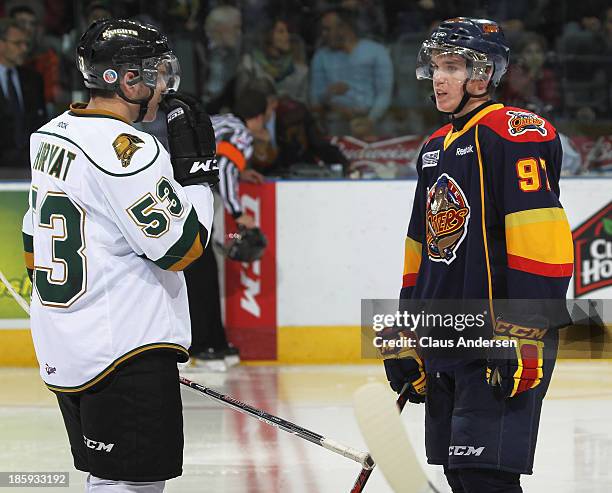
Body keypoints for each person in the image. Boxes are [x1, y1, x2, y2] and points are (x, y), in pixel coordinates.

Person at [21, 18, 218, 492]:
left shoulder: (48, 136)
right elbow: (183, 247)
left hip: (67, 345)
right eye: (156, 72)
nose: (164, 83)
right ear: (127, 79)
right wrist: (200, 177)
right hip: (125, 351)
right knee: (132, 485)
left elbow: (32, 245)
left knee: (106, 478)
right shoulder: (128, 150)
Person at [383, 18, 574, 493]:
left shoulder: (513, 133)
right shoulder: (433, 149)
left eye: (452, 66)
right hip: (449, 334)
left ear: (483, 74)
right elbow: (420, 253)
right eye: (435, 67)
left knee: (486, 477)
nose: (439, 78)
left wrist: (525, 330)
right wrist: (409, 335)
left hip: (501, 336)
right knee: (460, 475)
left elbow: (541, 241)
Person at [184, 87, 266, 369]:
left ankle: (209, 342)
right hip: (192, 207)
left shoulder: (222, 122)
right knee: (203, 275)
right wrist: (239, 213)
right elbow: (227, 170)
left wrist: (240, 170)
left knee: (199, 274)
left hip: (177, 201)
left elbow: (218, 160)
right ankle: (205, 344)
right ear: (259, 117)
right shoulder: (242, 133)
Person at [309, 7, 393, 135]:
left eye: (327, 29)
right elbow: (315, 98)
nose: (323, 35)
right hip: (335, 120)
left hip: (375, 119)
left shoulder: (376, 52)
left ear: (344, 28)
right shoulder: (321, 57)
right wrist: (328, 94)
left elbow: (384, 93)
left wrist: (370, 119)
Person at [0, 17, 46, 173]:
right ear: (1, 43)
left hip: (30, 163)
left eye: (26, 44)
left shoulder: (34, 79)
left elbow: (41, 122)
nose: (24, 49)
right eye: (17, 43)